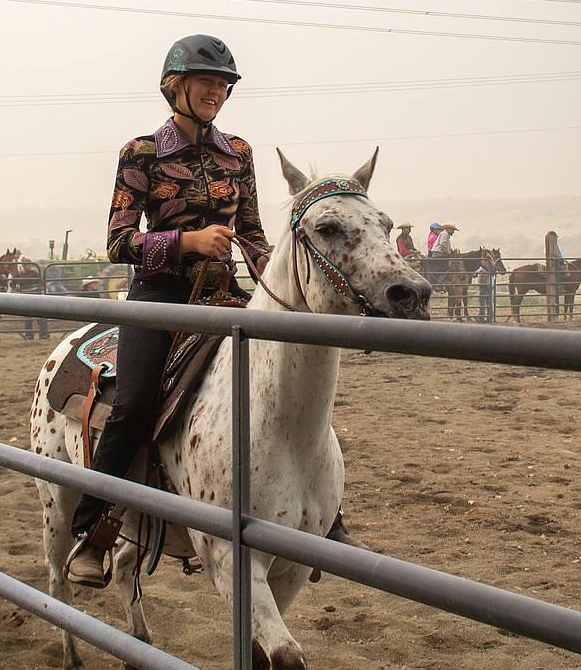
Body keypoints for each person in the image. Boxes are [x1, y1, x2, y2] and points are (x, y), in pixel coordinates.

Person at [64, 34, 364, 589]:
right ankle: (95, 530)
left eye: (224, 85)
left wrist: (279, 272)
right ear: (176, 86)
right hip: (158, 298)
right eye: (208, 82)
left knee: (291, 386)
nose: (218, 92)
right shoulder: (141, 153)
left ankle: (322, 515)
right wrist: (186, 243)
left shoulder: (239, 153)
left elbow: (250, 233)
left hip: (224, 296)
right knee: (132, 405)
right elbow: (119, 242)